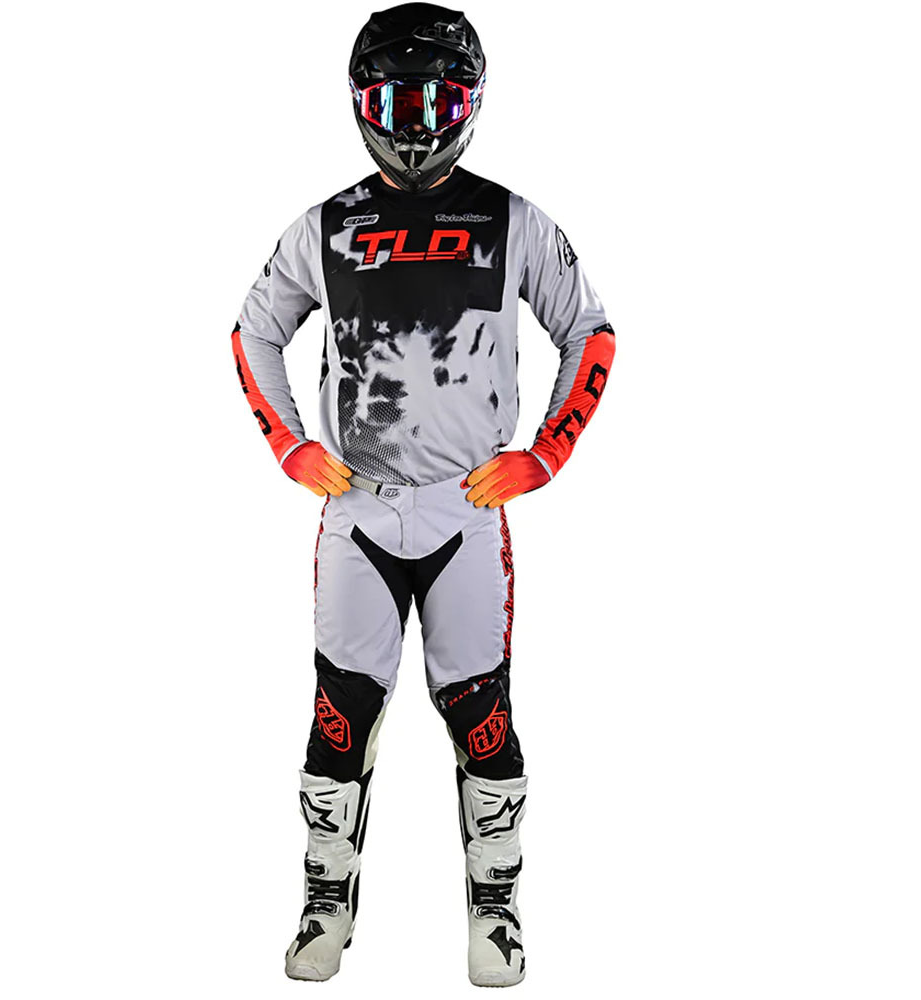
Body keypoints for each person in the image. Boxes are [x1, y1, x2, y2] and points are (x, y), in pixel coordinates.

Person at [231, 3, 615, 986]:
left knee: (481, 714)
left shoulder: (512, 220)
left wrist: (546, 456)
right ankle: (325, 903)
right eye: (397, 103)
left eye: (434, 102)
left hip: (465, 511)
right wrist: (287, 444)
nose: (414, 124)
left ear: (468, 103)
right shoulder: (327, 225)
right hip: (358, 508)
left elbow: (590, 330)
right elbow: (253, 330)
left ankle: (497, 910)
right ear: (364, 104)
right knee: (339, 716)